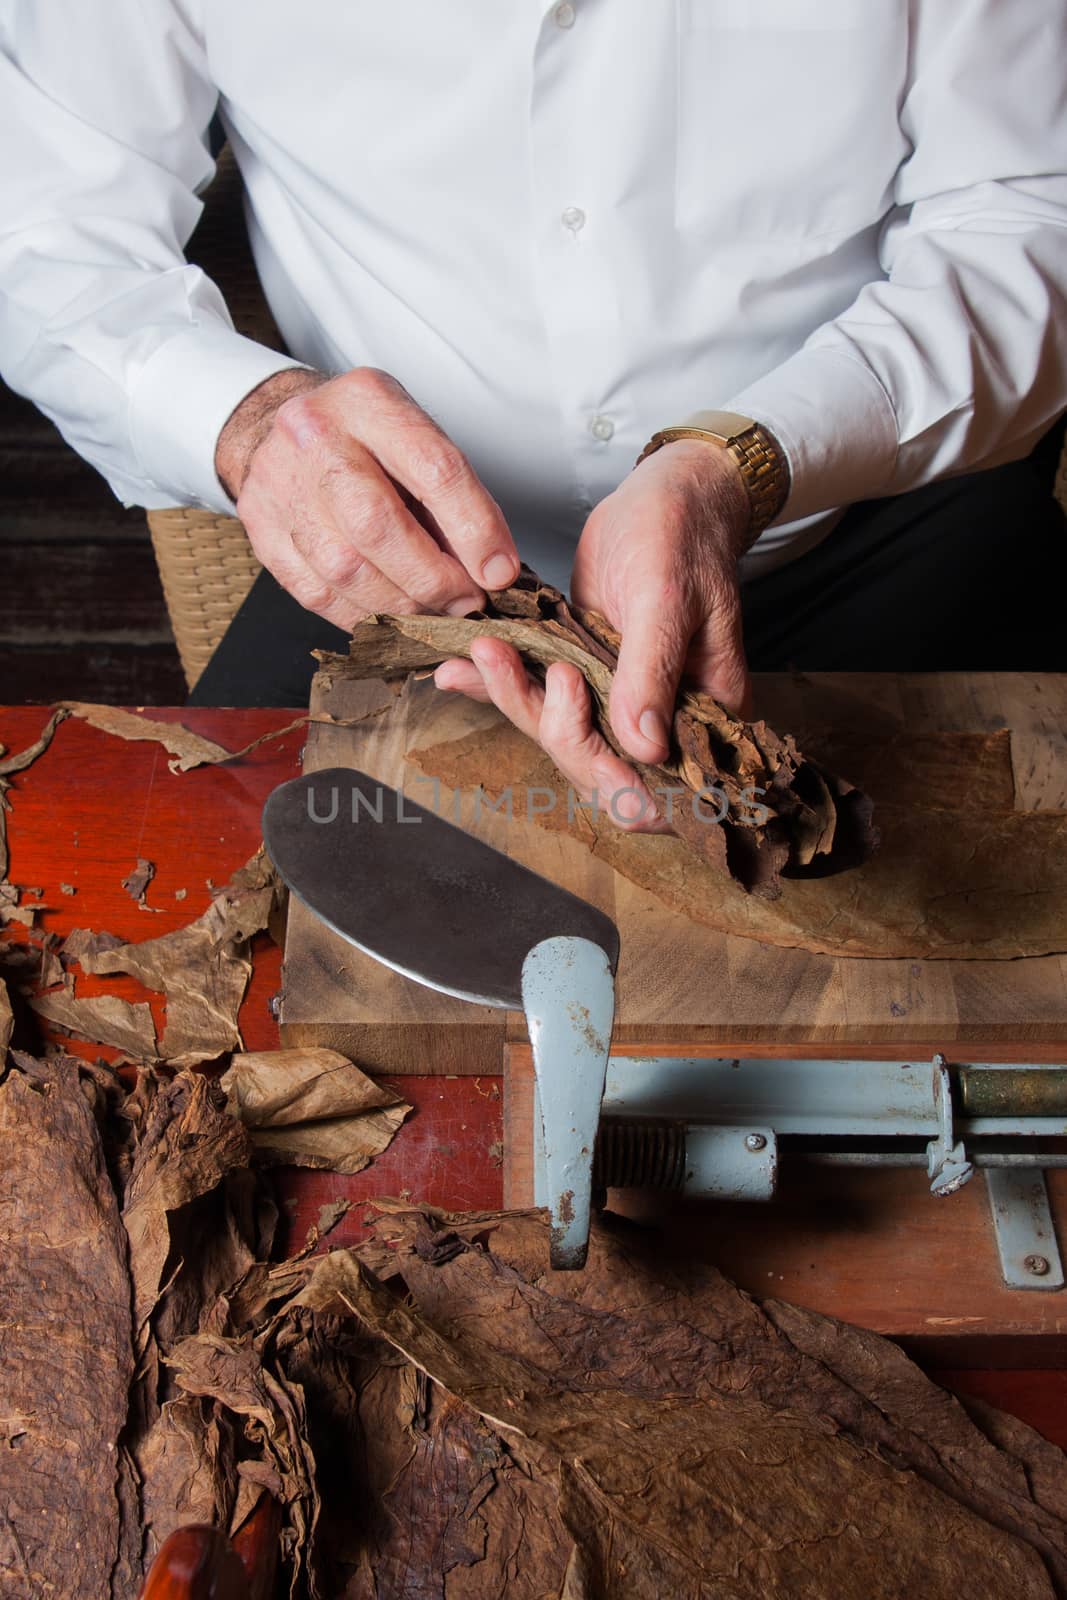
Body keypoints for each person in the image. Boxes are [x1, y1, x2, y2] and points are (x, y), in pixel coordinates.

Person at [2, 2, 1065, 829]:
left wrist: (739, 461)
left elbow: (1027, 211)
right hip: (408, 588)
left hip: (879, 514)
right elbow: (44, 225)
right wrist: (246, 421)